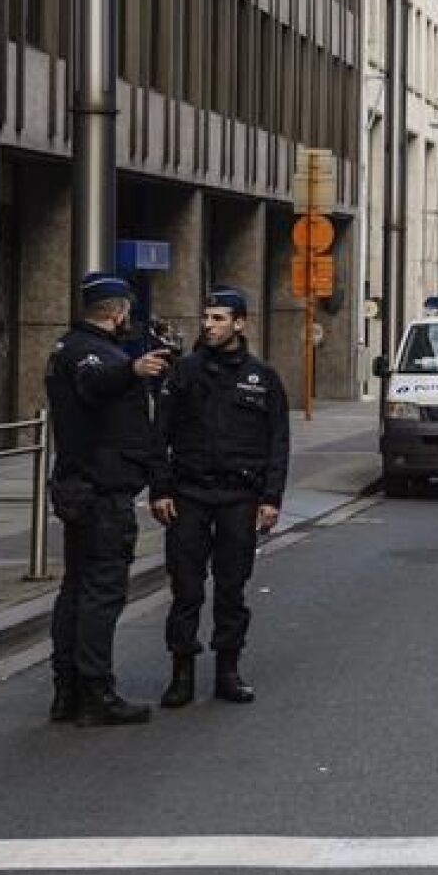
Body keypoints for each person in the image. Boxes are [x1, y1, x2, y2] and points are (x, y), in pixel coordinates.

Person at [150, 287, 290, 708]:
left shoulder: (263, 378)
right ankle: (181, 673)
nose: (208, 325)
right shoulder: (184, 373)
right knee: (186, 588)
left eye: (218, 318)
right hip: (189, 494)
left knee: (232, 589)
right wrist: (160, 489)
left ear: (239, 323)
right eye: (206, 317)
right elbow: (159, 436)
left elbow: (278, 442)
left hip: (239, 495)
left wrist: (271, 498)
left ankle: (228, 670)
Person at [44, 273, 171, 727]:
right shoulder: (88, 352)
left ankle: (68, 690)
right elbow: (94, 382)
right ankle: (94, 691)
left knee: (78, 589)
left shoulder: (72, 346)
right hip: (100, 492)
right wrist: (132, 370)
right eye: (127, 311)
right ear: (118, 312)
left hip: (85, 487)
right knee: (101, 592)